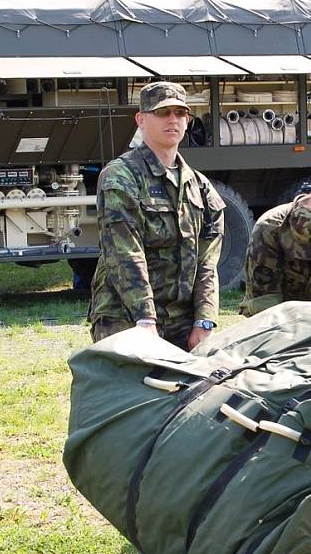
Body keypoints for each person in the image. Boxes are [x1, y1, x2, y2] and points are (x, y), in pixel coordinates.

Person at [88, 81, 225, 351]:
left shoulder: (199, 186)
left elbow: (207, 261)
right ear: (141, 119)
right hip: (126, 317)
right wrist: (144, 320)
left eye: (180, 113)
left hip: (183, 323)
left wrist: (205, 321)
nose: (173, 120)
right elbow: (124, 251)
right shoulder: (121, 176)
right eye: (162, 113)